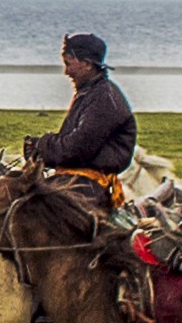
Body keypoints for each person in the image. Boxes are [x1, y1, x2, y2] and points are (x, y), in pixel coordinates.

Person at [24, 31, 138, 203]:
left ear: (87, 64)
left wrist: (41, 145)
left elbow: (75, 150)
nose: (66, 71)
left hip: (87, 189)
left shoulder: (104, 98)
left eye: (69, 64)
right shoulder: (91, 93)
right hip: (77, 182)